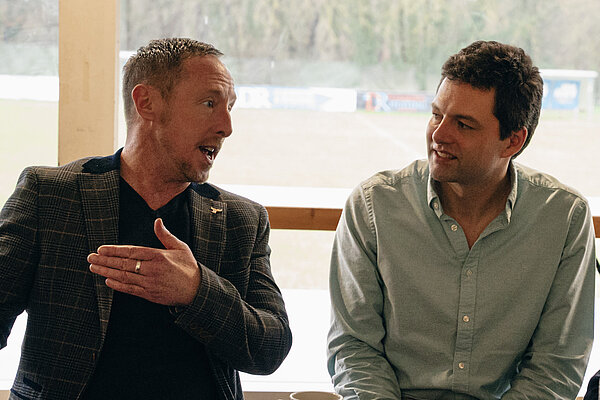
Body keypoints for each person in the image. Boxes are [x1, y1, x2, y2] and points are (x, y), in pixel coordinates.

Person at [0, 38, 292, 400]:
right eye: (209, 103)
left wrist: (197, 290)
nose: (226, 126)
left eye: (230, 107)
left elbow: (271, 347)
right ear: (147, 103)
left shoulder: (242, 220)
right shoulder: (49, 195)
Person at [327, 40, 595, 399]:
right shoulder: (374, 206)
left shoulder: (564, 218)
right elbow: (354, 349)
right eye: (437, 114)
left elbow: (556, 365)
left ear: (512, 141)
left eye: (464, 125)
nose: (439, 135)